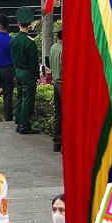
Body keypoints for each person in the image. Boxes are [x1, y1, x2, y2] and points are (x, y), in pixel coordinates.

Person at [49, 22, 63, 152]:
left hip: (55, 82)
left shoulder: (53, 47)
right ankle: (66, 143)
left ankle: (57, 142)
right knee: (67, 114)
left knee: (58, 114)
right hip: (64, 84)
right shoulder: (66, 49)